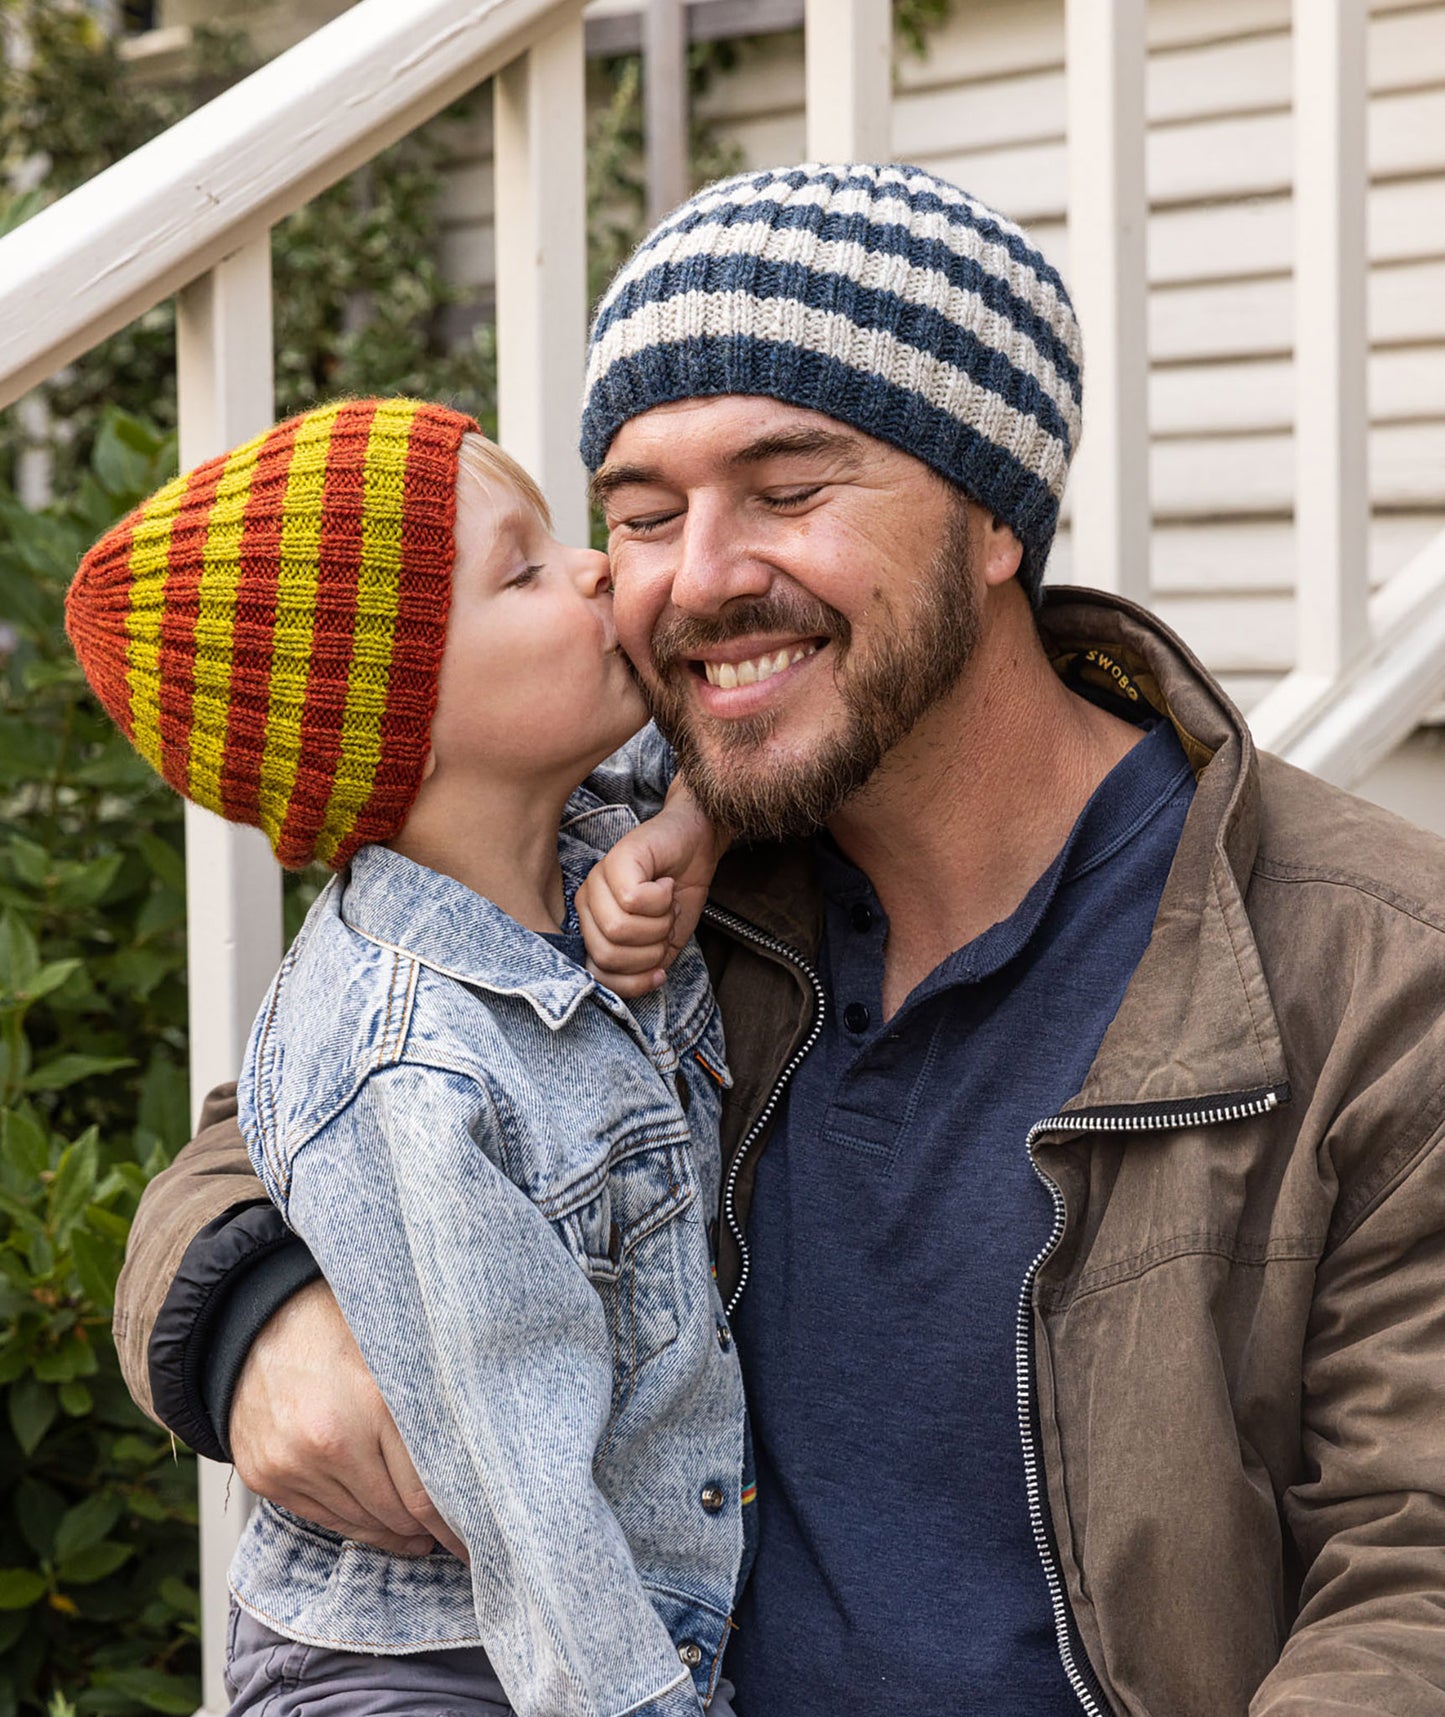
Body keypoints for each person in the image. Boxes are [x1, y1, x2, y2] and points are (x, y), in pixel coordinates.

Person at [115, 165, 1445, 1716]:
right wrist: (255, 1310)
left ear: (992, 514)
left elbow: (1412, 1580)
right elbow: (286, 1115)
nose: (695, 577)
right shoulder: (625, 864)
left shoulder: (1372, 972)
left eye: (789, 490)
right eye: (640, 514)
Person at [68, 397, 754, 1717]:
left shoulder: (580, 837)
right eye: (524, 571)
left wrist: (692, 828)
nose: (598, 569)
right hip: (431, 1665)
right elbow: (519, 1486)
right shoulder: (411, 1063)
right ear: (397, 720)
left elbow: (747, 726)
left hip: (594, 1623)